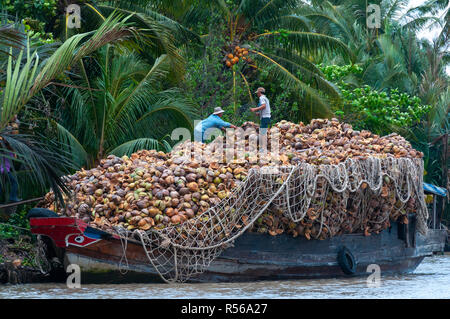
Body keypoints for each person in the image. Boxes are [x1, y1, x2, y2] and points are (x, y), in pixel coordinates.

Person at [250, 87, 271, 152]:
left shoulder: (261, 98)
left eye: (257, 93)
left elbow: (263, 106)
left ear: (259, 93)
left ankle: (264, 148)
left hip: (264, 117)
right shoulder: (266, 98)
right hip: (266, 117)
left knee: (263, 133)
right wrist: (259, 113)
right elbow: (266, 108)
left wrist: (254, 109)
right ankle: (264, 147)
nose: (257, 94)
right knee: (263, 132)